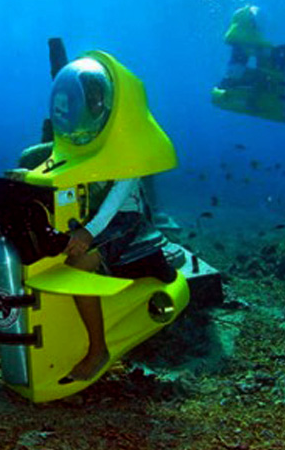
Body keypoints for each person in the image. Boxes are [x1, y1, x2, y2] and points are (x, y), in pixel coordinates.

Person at [48, 58, 163, 383]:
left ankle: (98, 351)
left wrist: (88, 232)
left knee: (79, 263)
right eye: (88, 94)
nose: (93, 100)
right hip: (90, 214)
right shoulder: (84, 127)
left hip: (125, 217)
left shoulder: (126, 133)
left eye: (98, 94)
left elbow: (120, 193)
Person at [213, 5, 285, 123]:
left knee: (238, 68)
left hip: (268, 103)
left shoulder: (269, 58)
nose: (236, 53)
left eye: (238, 47)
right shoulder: (266, 53)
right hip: (265, 102)